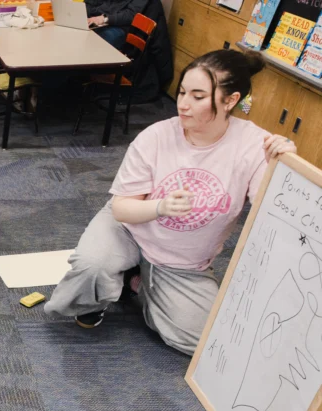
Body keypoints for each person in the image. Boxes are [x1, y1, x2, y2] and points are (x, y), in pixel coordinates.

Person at [46, 50, 297, 355]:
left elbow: (270, 215)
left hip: (182, 260)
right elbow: (122, 209)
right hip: (131, 229)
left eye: (198, 96)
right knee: (91, 266)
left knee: (206, 346)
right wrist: (160, 207)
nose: (183, 104)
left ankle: (137, 283)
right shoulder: (155, 136)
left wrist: (282, 168)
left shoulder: (254, 145)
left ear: (230, 100)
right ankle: (115, 280)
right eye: (181, 92)